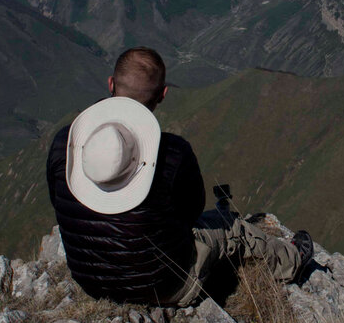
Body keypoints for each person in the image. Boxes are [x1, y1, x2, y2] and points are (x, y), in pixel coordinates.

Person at [46, 47, 313, 307]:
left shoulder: (65, 143)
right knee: (232, 228)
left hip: (90, 281)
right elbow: (191, 212)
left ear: (110, 83)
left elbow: (59, 201)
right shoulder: (172, 153)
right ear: (163, 94)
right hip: (164, 285)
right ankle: (293, 260)